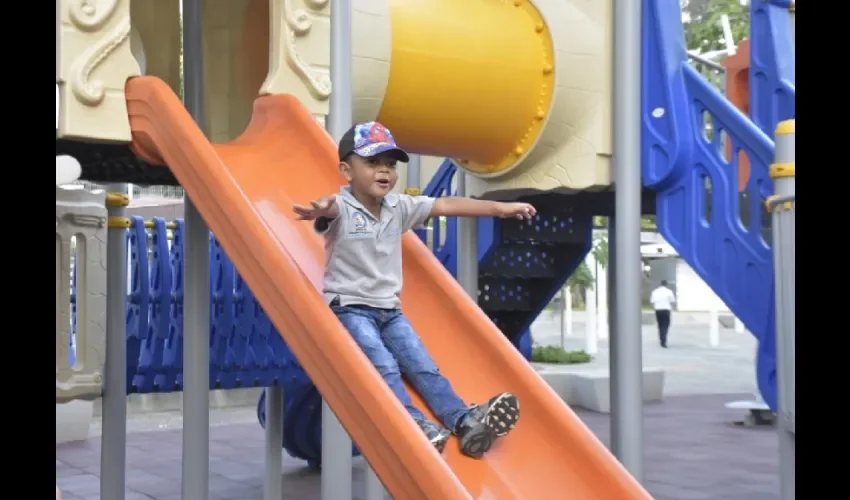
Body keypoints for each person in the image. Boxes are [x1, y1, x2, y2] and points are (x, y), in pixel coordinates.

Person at [293, 122, 536, 458]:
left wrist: (501, 208)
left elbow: (447, 206)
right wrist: (321, 209)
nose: (385, 171)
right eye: (373, 162)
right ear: (347, 171)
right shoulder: (342, 207)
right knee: (384, 366)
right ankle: (415, 424)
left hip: (390, 310)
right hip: (349, 307)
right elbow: (329, 207)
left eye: (391, 164)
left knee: (423, 367)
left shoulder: (399, 208)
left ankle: (465, 421)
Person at [650, 280, 676, 348]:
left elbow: (652, 301)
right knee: (665, 325)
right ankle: (663, 341)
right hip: (666, 309)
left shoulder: (655, 292)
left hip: (658, 310)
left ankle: (661, 339)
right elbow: (672, 301)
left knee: (660, 325)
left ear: (660, 284)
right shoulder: (669, 291)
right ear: (666, 284)